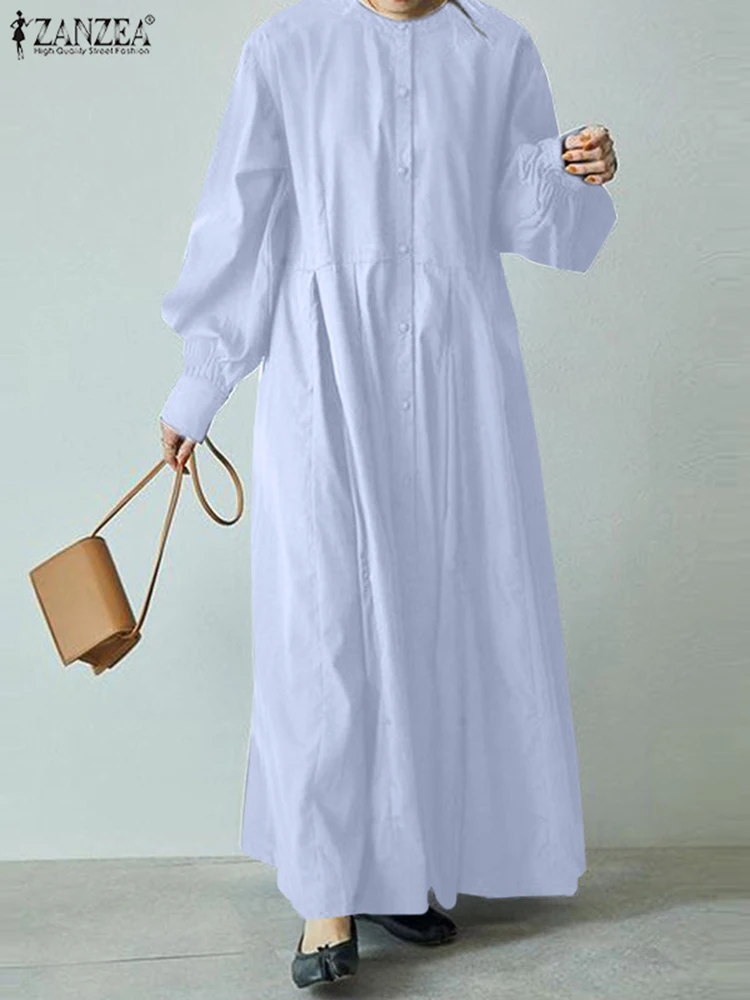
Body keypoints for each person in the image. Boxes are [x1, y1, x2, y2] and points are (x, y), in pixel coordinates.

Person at [158, 0, 618, 987]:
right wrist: (202, 382)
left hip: (457, 377)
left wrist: (571, 169)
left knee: (436, 616)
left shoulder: (498, 48)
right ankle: (326, 894)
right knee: (323, 625)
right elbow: (243, 216)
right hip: (325, 373)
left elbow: (522, 215)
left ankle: (396, 870)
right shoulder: (289, 49)